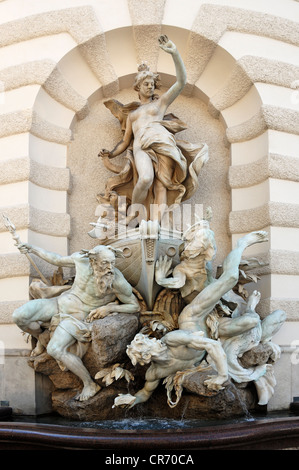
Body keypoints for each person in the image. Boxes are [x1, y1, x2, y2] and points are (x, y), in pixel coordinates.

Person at [114, 230, 269, 408]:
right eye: (143, 346)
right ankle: (250, 308)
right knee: (251, 322)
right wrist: (133, 399)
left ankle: (242, 243)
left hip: (194, 316)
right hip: (212, 331)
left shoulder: (170, 340)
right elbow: (145, 392)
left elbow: (213, 346)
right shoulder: (155, 372)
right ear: (145, 356)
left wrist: (222, 375)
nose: (149, 341)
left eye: (144, 341)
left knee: (231, 278)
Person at [99, 35, 208, 221]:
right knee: (145, 179)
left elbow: (181, 82)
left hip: (163, 144)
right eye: (146, 84)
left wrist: (174, 53)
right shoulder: (132, 115)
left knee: (162, 185)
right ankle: (134, 212)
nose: (150, 87)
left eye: (152, 84)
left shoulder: (159, 105)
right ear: (138, 87)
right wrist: (110, 153)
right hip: (141, 147)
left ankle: (156, 224)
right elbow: (125, 141)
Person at [12, 243, 140, 401]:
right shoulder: (81, 260)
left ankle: (89, 384)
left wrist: (108, 309)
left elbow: (134, 305)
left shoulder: (116, 280)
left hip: (77, 317)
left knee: (55, 349)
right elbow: (56, 259)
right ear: (93, 260)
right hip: (59, 303)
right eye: (105, 263)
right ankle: (41, 337)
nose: (110, 268)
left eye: (112, 263)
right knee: (19, 316)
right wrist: (32, 249)